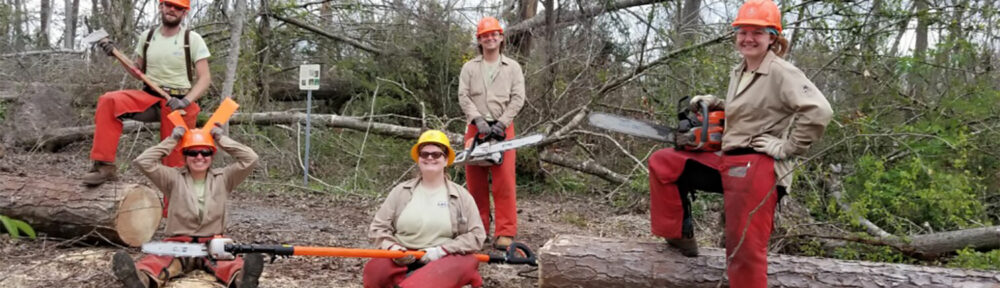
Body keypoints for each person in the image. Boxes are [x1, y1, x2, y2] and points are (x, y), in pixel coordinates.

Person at [646, 0, 833, 287]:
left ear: (773, 36)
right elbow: (747, 107)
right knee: (664, 162)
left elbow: (819, 110)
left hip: (757, 167)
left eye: (757, 32)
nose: (748, 38)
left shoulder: (781, 72)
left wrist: (788, 148)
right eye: (743, 31)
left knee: (744, 250)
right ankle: (680, 236)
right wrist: (715, 102)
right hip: (728, 159)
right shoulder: (741, 70)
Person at [111, 125, 262, 288]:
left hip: (213, 242)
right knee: (158, 260)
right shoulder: (172, 178)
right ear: (185, 155)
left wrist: (221, 139)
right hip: (179, 241)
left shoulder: (224, 178)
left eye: (205, 152)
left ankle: (243, 280)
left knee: (229, 262)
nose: (199, 157)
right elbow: (143, 161)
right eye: (192, 152)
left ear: (212, 155)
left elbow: (250, 159)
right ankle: (140, 280)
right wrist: (173, 139)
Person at [84, 0, 212, 186]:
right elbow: (138, 72)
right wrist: (116, 54)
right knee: (109, 101)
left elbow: (205, 78)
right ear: (161, 6)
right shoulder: (148, 36)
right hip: (150, 96)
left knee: (174, 162)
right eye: (169, 5)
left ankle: (176, 209)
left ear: (184, 13)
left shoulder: (192, 39)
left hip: (179, 102)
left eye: (178, 8)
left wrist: (185, 101)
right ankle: (104, 166)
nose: (172, 10)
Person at [364, 130, 487, 288]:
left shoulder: (462, 196)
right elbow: (378, 227)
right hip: (401, 257)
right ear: (418, 159)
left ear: (446, 159)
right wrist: (392, 247)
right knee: (374, 272)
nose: (430, 158)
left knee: (463, 264)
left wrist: (442, 250)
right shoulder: (400, 191)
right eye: (424, 154)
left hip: (445, 257)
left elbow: (476, 236)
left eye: (436, 154)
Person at [457, 16, 526, 250]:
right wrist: (477, 118)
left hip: (502, 127)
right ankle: (479, 229)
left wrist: (502, 123)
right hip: (476, 127)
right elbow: (463, 96)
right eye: (485, 35)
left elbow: (518, 98)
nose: (490, 38)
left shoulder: (513, 68)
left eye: (493, 34)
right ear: (479, 39)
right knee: (475, 183)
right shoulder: (469, 68)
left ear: (501, 37)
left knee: (504, 182)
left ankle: (505, 232)